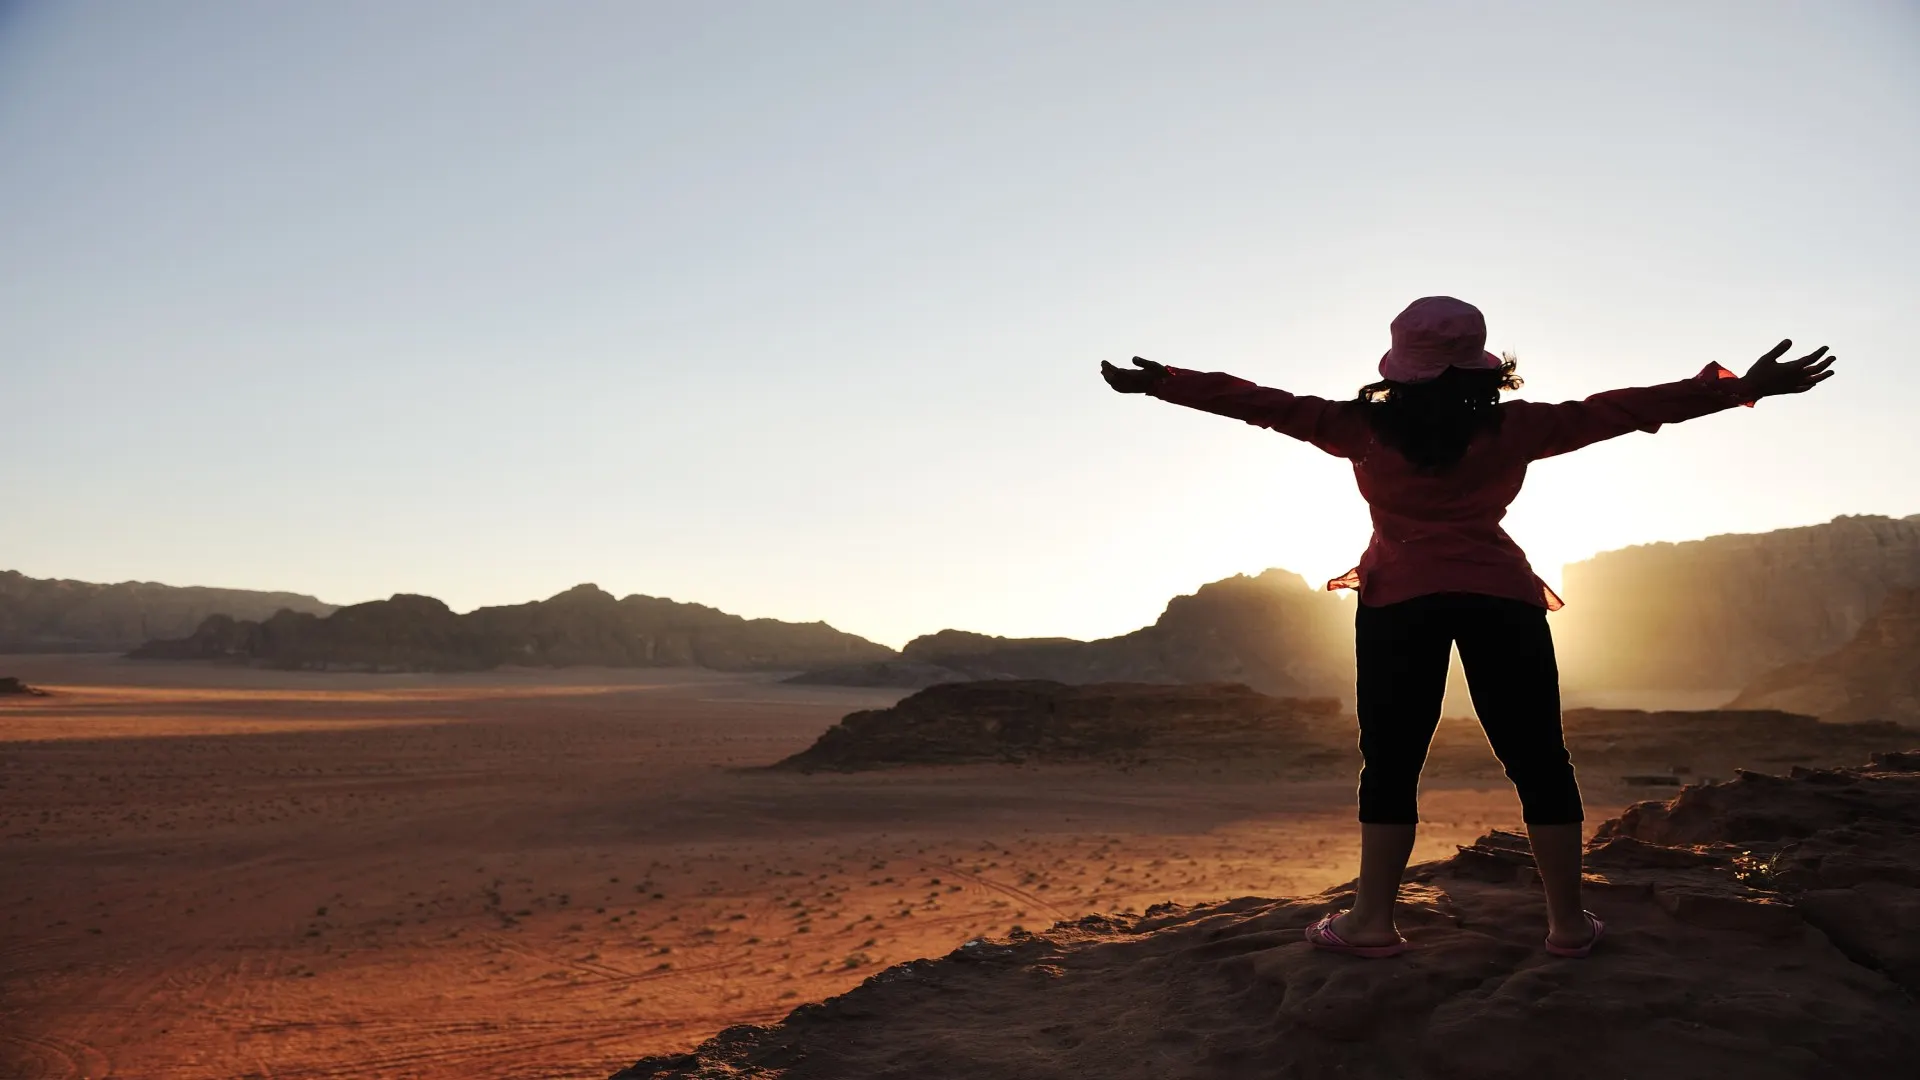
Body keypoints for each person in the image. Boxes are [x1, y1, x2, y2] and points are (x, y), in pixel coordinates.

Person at [1100, 296, 1836, 958]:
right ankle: (1569, 926)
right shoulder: (1518, 427)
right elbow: (1628, 408)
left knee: (1391, 762)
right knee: (1541, 759)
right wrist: (1744, 388)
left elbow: (1258, 402)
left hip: (1399, 602)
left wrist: (1162, 379)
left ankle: (1371, 923)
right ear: (1483, 366)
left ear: (1400, 369)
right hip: (1499, 597)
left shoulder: (1358, 427)